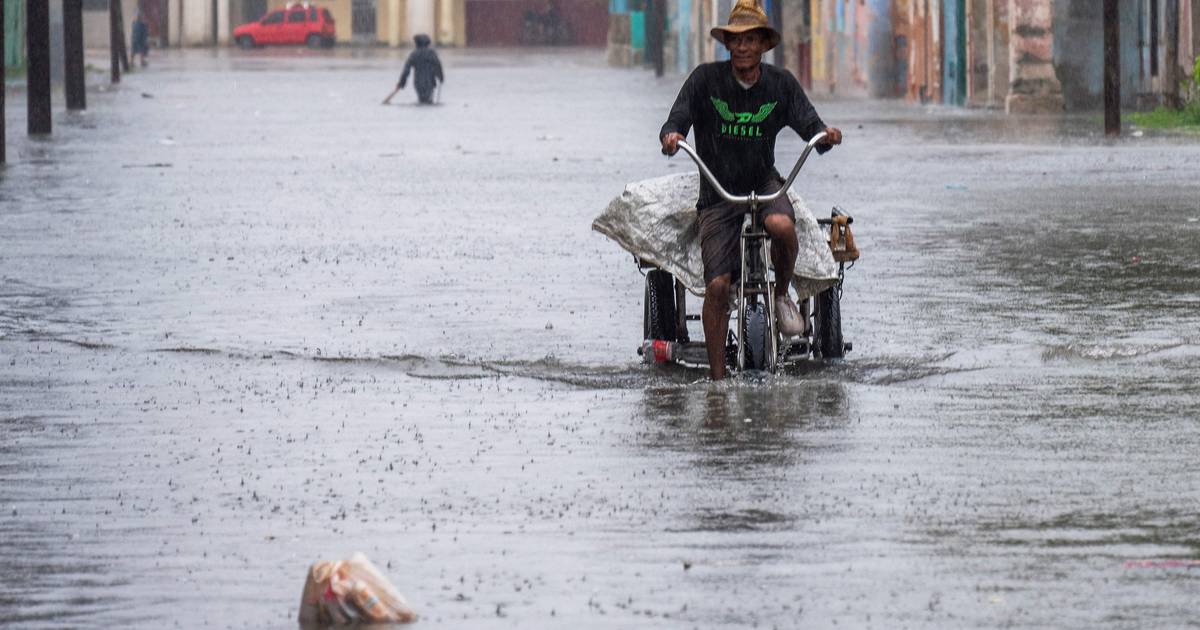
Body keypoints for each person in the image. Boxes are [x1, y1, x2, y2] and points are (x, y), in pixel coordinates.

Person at [659, 0, 842, 380]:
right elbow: (676, 119)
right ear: (727, 44)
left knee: (782, 225)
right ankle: (717, 380)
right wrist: (672, 136)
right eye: (736, 40)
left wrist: (827, 136)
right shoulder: (704, 80)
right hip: (717, 190)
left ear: (763, 45)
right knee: (718, 285)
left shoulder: (780, 84)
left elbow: (812, 126)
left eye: (751, 40)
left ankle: (780, 298)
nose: (743, 47)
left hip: (763, 180)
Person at [397, 34, 444, 105]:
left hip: (418, 82)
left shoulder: (414, 54)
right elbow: (438, 66)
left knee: (422, 100)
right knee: (428, 100)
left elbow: (406, 70)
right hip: (430, 81)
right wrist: (440, 77)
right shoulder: (432, 53)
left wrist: (402, 82)